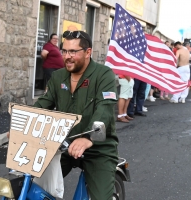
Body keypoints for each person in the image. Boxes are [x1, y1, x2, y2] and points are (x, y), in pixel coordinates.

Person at [34, 30, 118, 199]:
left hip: (97, 147)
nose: (67, 56)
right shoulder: (58, 76)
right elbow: (44, 104)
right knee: (34, 187)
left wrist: (88, 137)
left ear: (88, 52)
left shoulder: (104, 75)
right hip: (63, 143)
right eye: (64, 51)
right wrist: (22, 125)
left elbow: (105, 110)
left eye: (73, 51)